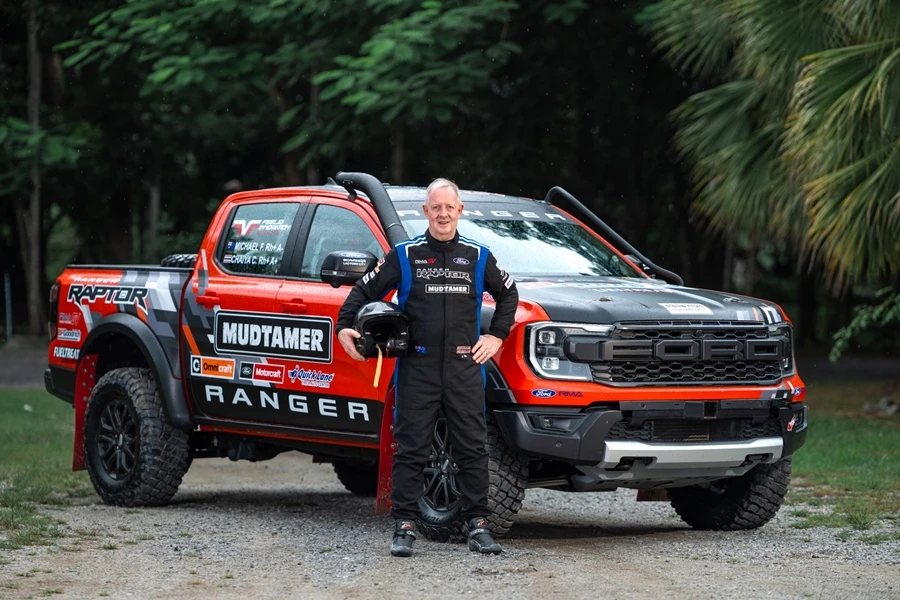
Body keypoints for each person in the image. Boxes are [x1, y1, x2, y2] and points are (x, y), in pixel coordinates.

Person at [336, 178, 519, 557]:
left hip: (464, 366)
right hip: (417, 367)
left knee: (472, 449)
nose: (443, 214)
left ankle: (478, 526)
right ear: (426, 212)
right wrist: (344, 327)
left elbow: (508, 294)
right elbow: (363, 291)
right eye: (436, 207)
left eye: (449, 207)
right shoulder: (405, 255)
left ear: (460, 211)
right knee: (411, 449)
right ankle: (404, 526)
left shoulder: (478, 256)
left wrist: (496, 336)